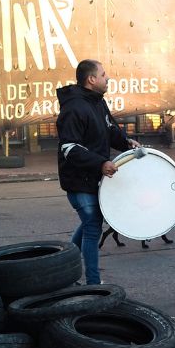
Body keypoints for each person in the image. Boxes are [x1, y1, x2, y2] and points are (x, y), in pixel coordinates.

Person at [56, 59, 139, 285]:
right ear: (91, 79)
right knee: (92, 226)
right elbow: (69, 148)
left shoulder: (97, 102)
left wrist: (127, 144)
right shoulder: (74, 107)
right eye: (103, 74)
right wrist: (101, 163)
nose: (108, 78)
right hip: (78, 180)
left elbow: (110, 130)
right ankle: (93, 284)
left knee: (89, 223)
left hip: (94, 177)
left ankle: (62, 265)